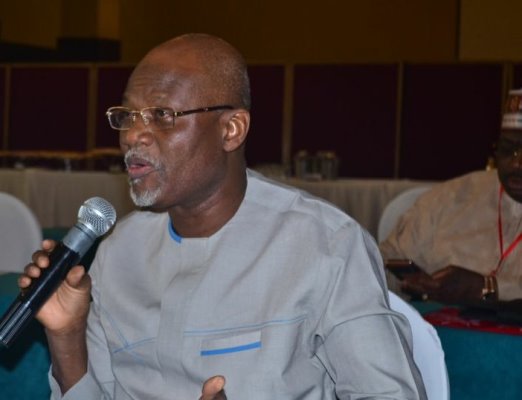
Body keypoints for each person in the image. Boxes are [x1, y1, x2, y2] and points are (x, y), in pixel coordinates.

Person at [22, 33, 426, 399]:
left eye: (161, 115)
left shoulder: (325, 245)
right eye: (127, 116)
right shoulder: (118, 251)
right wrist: (67, 336)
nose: (131, 136)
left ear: (231, 129)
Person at [380, 88, 522, 305]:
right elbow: (384, 262)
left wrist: (490, 288)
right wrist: (408, 283)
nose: (516, 164)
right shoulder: (452, 197)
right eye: (507, 149)